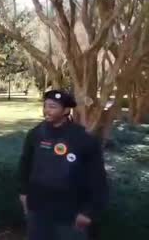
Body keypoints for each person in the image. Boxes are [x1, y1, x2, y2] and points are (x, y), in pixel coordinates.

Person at [18, 90, 108, 240]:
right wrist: (23, 193)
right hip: (38, 210)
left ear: (66, 110)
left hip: (70, 214)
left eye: (52, 107)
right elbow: (25, 165)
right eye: (45, 106)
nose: (47, 110)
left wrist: (89, 212)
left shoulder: (83, 139)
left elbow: (97, 179)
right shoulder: (35, 134)